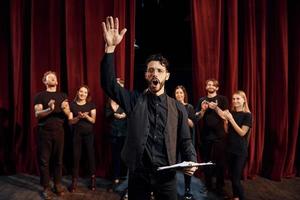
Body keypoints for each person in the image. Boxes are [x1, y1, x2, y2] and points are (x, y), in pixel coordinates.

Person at [100, 16, 198, 200]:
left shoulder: (178, 108)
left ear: (167, 76)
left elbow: (185, 140)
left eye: (160, 71)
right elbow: (109, 84)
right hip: (139, 174)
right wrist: (111, 48)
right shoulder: (134, 100)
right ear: (146, 75)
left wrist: (191, 160)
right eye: (151, 70)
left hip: (167, 176)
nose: (155, 74)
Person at [34, 71, 70, 199]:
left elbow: (68, 114)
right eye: (50, 77)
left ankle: (57, 184)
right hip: (44, 133)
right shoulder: (40, 96)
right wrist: (49, 109)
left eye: (55, 77)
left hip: (59, 132)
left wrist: (66, 110)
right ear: (45, 81)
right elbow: (37, 114)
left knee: (58, 161)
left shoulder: (62, 95)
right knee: (44, 161)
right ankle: (45, 187)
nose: (54, 78)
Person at [195, 79, 229, 195]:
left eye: (212, 85)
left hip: (219, 136)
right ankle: (208, 185)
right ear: (206, 87)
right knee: (206, 162)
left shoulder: (222, 99)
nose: (210, 86)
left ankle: (219, 186)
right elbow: (197, 118)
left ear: (217, 88)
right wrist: (203, 110)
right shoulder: (201, 100)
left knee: (220, 162)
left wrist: (215, 108)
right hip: (206, 136)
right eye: (208, 84)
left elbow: (225, 116)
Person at [223, 91, 252, 200]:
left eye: (238, 99)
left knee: (236, 179)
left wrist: (230, 119)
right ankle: (236, 197)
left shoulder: (247, 115)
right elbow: (227, 131)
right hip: (229, 149)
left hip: (240, 151)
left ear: (244, 100)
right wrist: (225, 121)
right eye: (234, 99)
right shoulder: (232, 113)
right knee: (231, 177)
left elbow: (242, 133)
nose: (235, 101)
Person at [68, 85, 97, 192]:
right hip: (76, 134)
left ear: (87, 95)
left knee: (90, 156)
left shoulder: (91, 105)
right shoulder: (72, 105)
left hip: (89, 134)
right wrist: (78, 117)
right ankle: (74, 181)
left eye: (85, 92)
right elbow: (70, 121)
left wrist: (86, 116)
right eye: (81, 91)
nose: (83, 94)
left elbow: (93, 121)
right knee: (76, 157)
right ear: (77, 92)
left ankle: (93, 180)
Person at [174, 85, 197, 200]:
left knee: (187, 164)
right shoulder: (171, 106)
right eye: (177, 93)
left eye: (181, 93)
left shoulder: (189, 107)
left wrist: (183, 115)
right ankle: (170, 188)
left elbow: (192, 124)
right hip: (173, 140)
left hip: (185, 139)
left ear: (184, 94)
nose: (179, 95)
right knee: (171, 164)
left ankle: (187, 189)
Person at [105, 78, 127, 187]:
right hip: (113, 132)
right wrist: (113, 111)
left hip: (125, 133)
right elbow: (106, 114)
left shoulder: (127, 99)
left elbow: (133, 113)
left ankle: (124, 177)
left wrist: (125, 115)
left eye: (120, 86)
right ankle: (115, 177)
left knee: (125, 156)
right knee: (115, 156)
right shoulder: (110, 99)